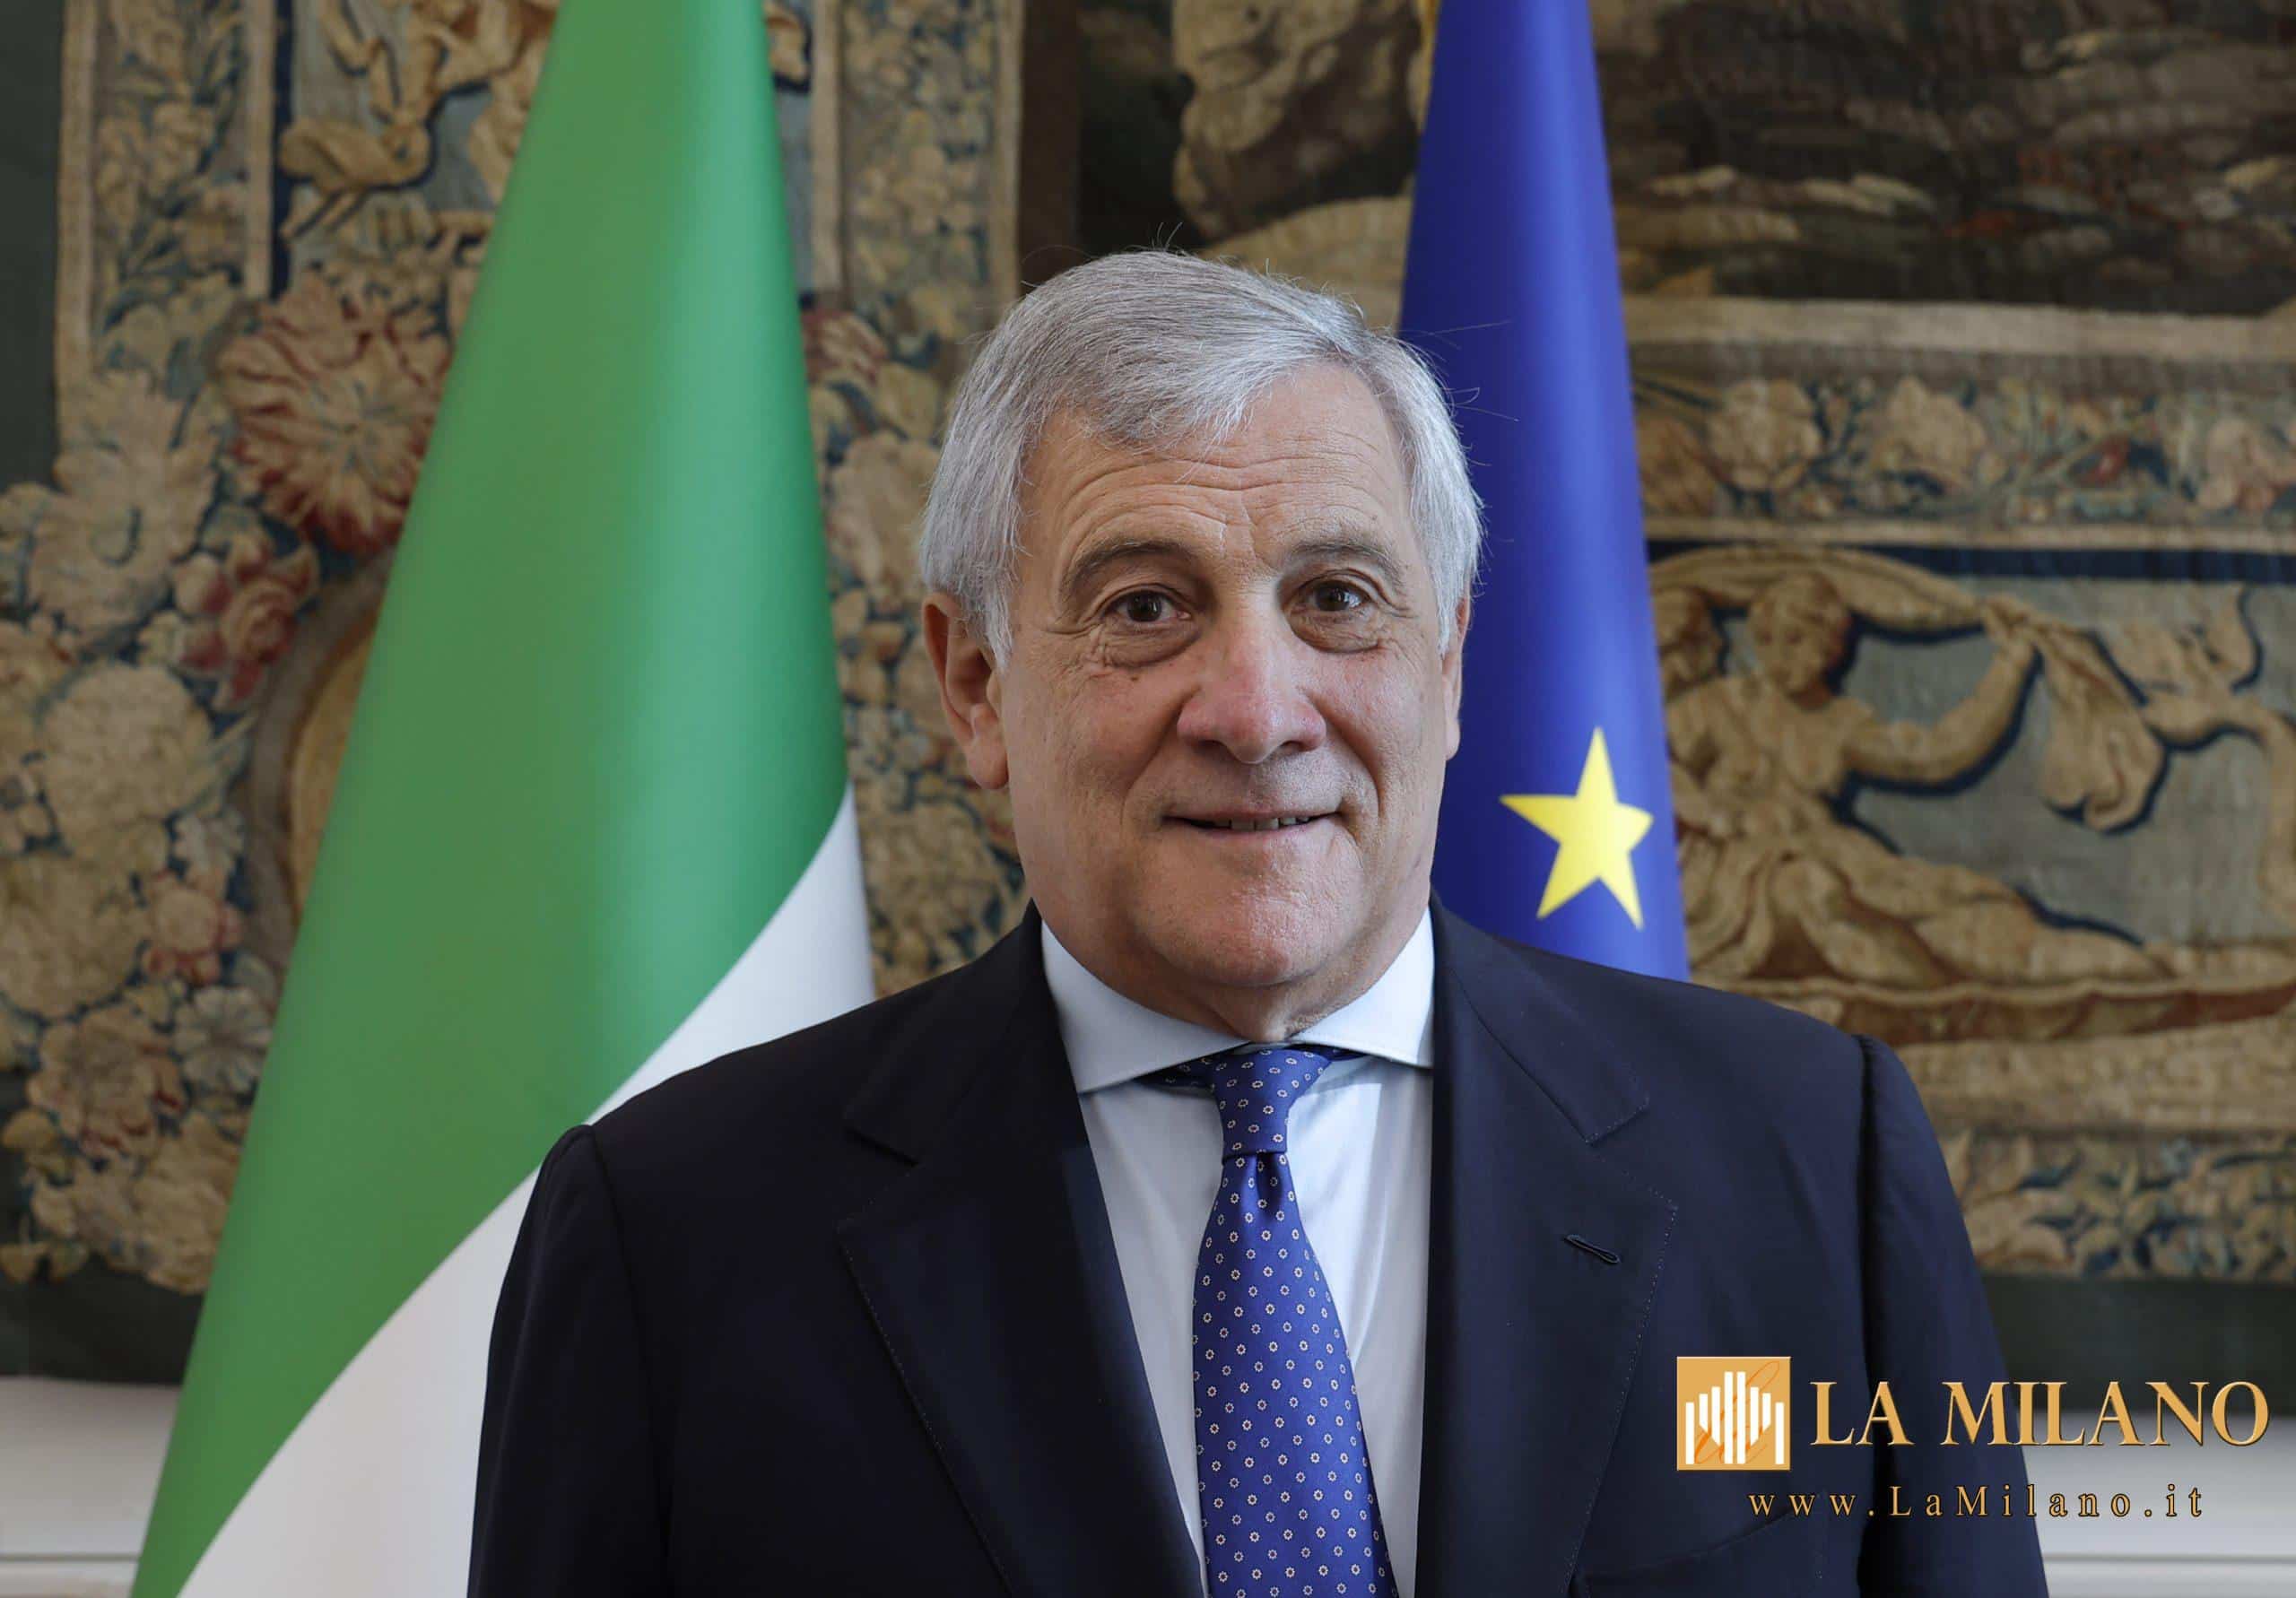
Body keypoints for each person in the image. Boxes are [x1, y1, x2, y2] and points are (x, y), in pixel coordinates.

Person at [468, 252, 2047, 1597]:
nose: (1257, 708)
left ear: (1449, 663)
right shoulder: (674, 1236)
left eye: (1337, 598)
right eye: (1146, 606)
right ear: (975, 684)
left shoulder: (1809, 1160)